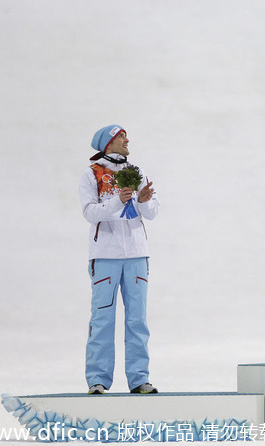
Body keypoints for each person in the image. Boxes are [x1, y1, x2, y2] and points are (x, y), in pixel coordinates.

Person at [79, 125, 159, 394]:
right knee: (102, 319)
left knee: (138, 320)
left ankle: (139, 379)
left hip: (137, 254)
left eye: (125, 136)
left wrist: (144, 201)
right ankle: (98, 380)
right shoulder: (92, 173)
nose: (127, 140)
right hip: (105, 256)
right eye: (121, 137)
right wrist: (117, 200)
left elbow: (152, 212)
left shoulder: (137, 171)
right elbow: (90, 213)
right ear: (108, 143)